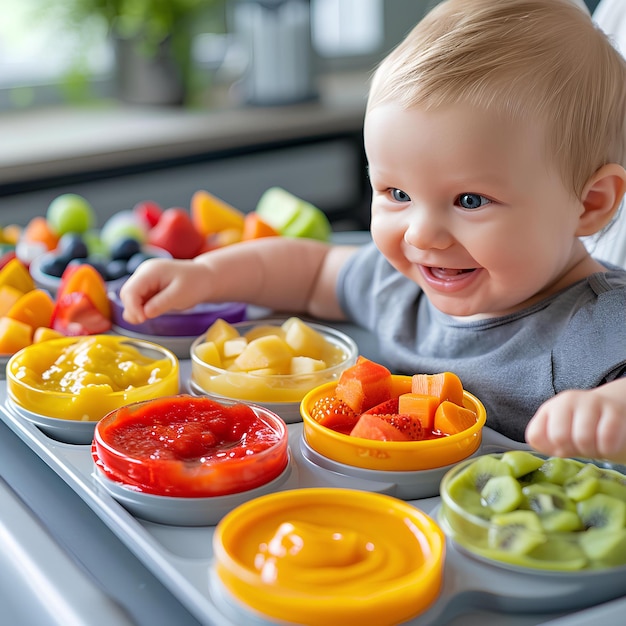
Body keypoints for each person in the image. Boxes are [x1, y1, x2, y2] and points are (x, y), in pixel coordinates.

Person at [120, 0, 626, 464]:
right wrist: (203, 277)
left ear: (590, 204)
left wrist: (610, 410)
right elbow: (309, 267)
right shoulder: (400, 284)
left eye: (470, 200)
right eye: (397, 195)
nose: (422, 236)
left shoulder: (601, 323)